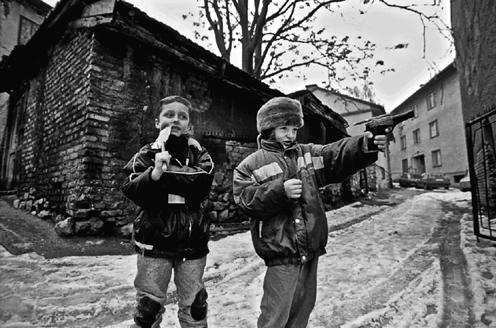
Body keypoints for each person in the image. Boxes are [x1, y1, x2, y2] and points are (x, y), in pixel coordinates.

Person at [233, 97, 388, 328]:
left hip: (310, 248)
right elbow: (245, 200)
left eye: (294, 128)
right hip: (281, 252)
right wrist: (279, 191)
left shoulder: (307, 154)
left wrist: (364, 146)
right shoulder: (251, 165)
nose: (290, 134)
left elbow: (335, 153)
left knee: (302, 310)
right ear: (268, 129)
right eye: (283, 128)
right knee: (275, 314)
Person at [122, 95, 214, 328]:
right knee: (148, 309)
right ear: (157, 122)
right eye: (169, 115)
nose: (175, 120)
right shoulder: (145, 154)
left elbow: (201, 184)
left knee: (195, 307)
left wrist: (163, 174)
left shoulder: (199, 153)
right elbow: (132, 189)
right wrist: (153, 174)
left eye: (182, 117)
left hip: (193, 244)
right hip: (154, 243)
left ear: (189, 126)